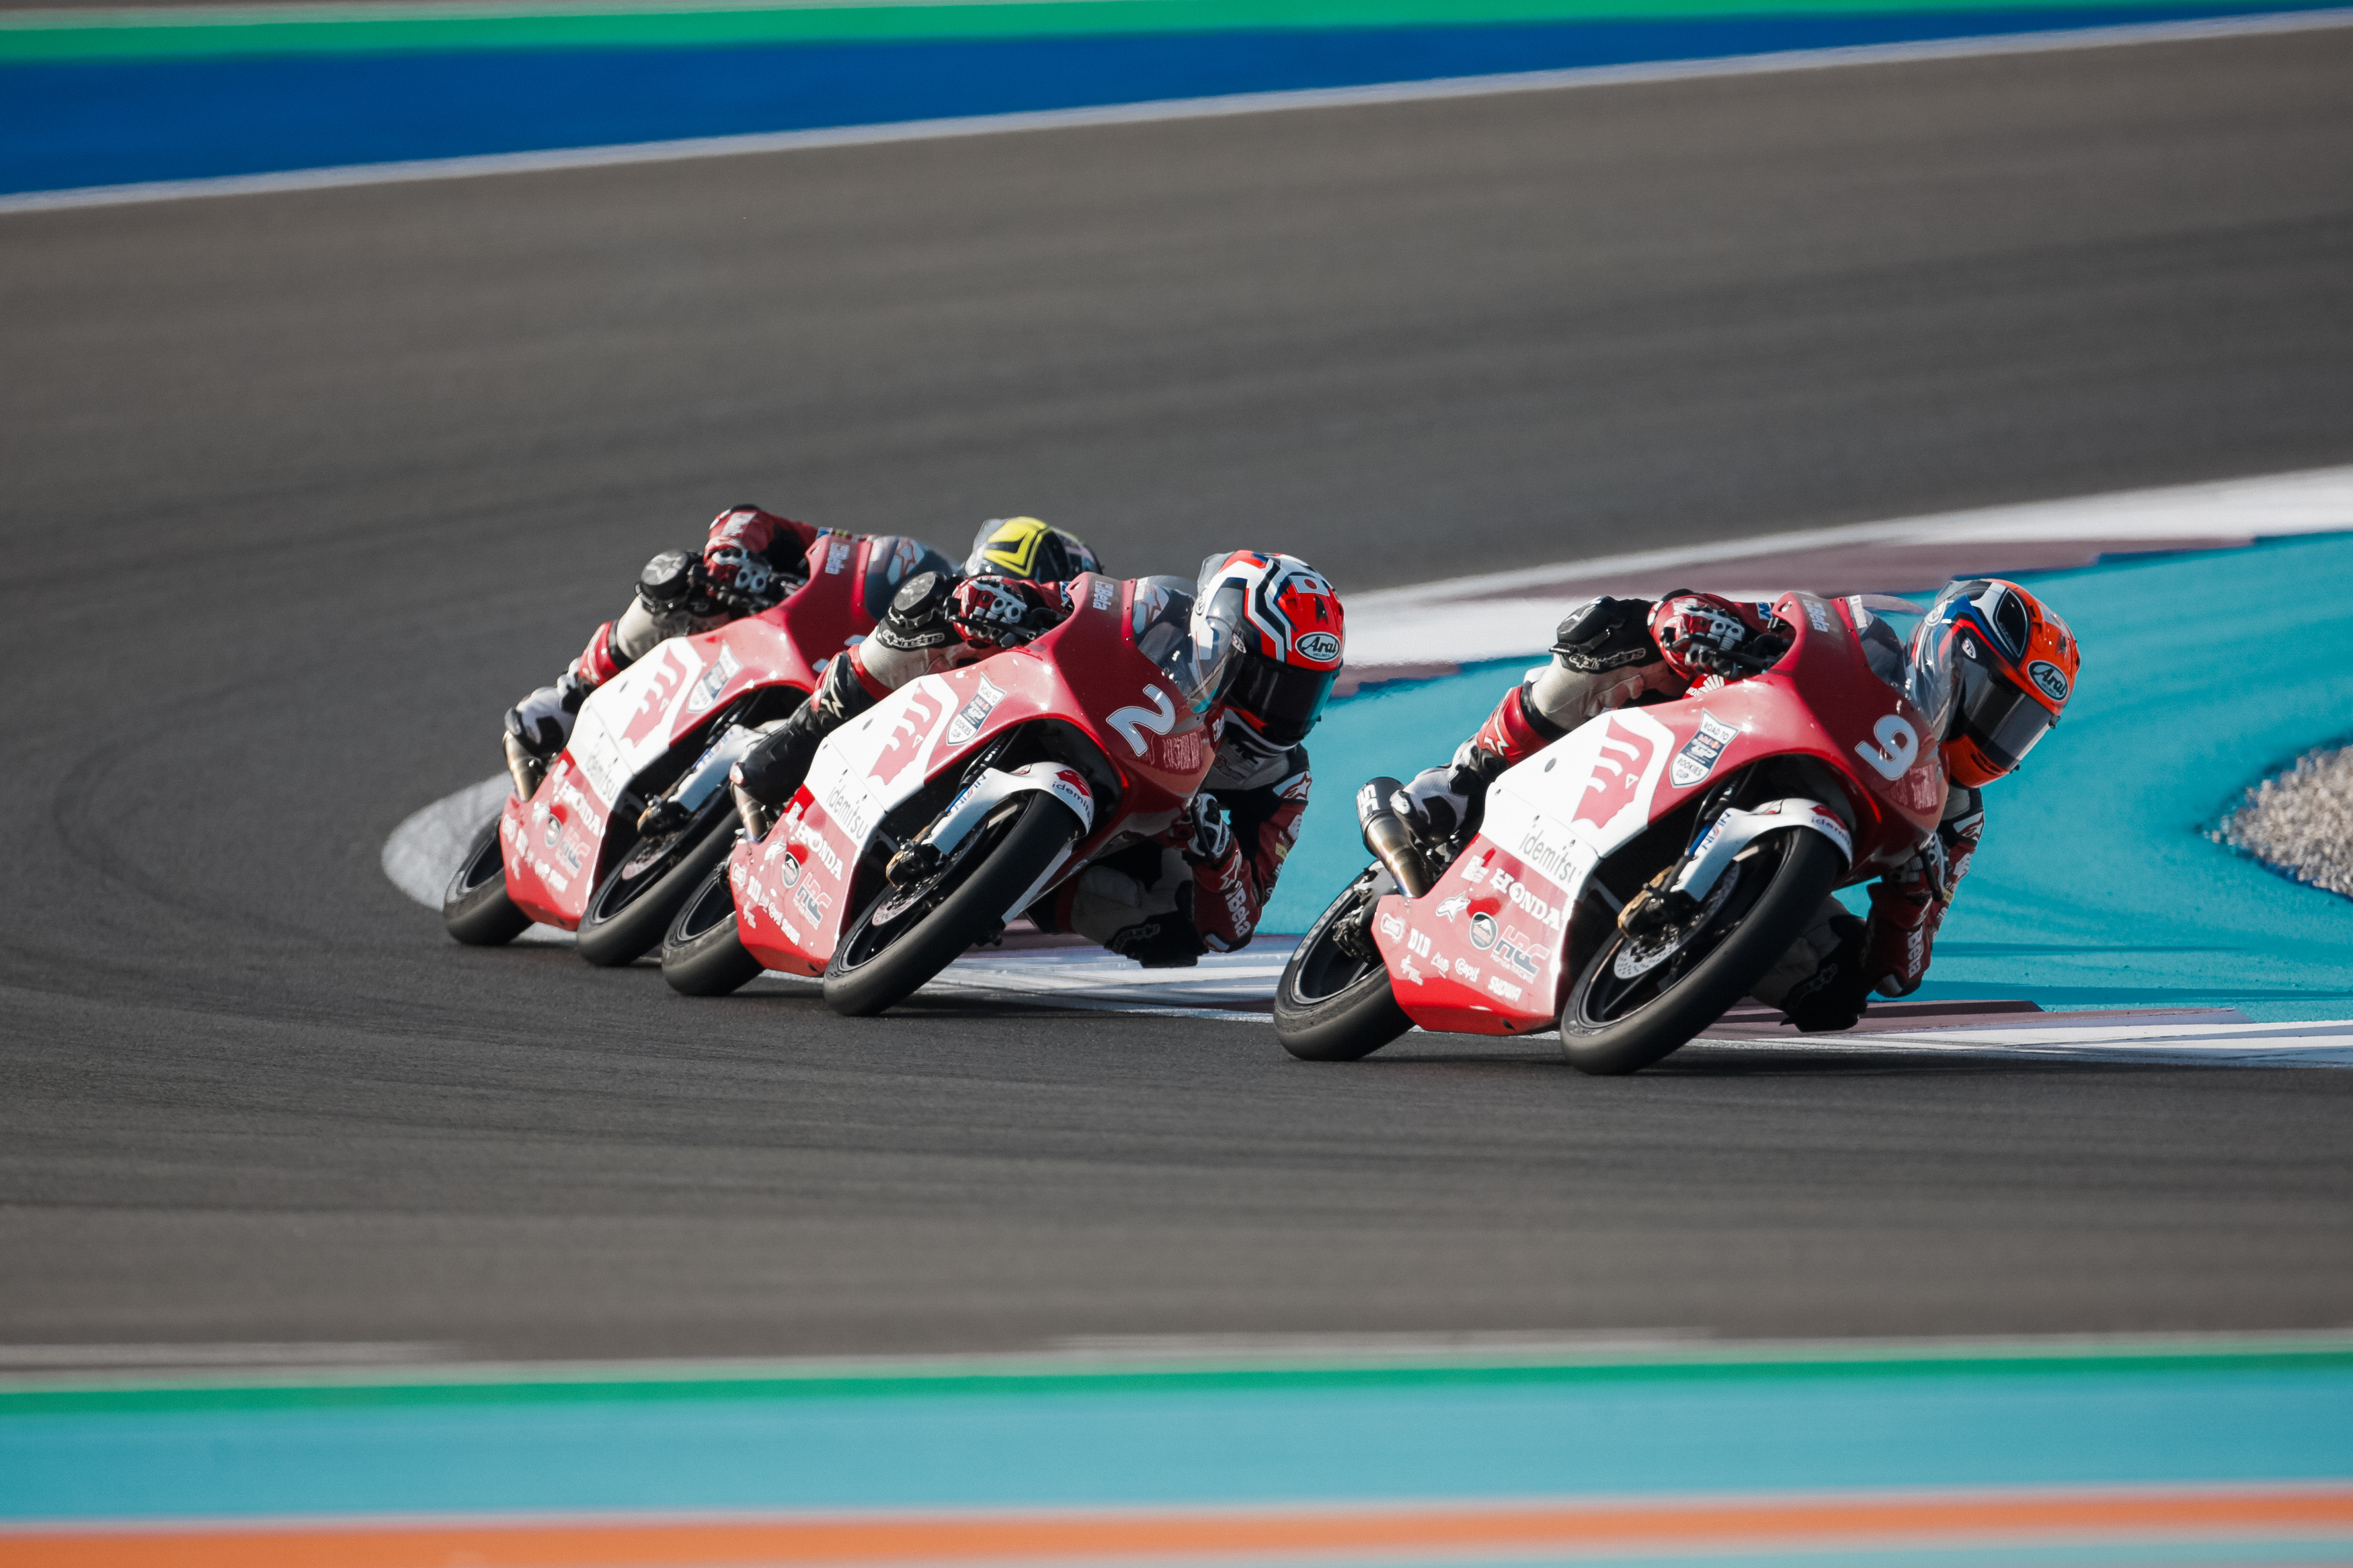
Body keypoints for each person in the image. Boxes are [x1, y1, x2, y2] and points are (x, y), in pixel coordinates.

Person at [1391, 578, 2080, 1030]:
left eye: (2021, 725)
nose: (1997, 736)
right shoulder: (1867, 642)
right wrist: (1710, 626)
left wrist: (1915, 895)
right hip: (1694, 737)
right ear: (1950, 655)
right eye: (1997, 703)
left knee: (1837, 994)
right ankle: (1464, 777)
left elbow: (1899, 971)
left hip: (1779, 850)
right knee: (1614, 628)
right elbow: (1738, 616)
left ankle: (1665, 962)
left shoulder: (1955, 817)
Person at [733, 547, 1346, 968]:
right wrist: (1006, 599)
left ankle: (1001, 892)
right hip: (1038, 703)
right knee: (931, 605)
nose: (1284, 713)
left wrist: (1219, 855)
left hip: (1115, 832)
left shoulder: (1282, 779)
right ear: (1222, 636)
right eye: (1271, 684)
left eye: (1304, 693)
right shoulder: (1162, 609)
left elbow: (1234, 926)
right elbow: (1078, 601)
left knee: (1176, 932)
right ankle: (801, 735)